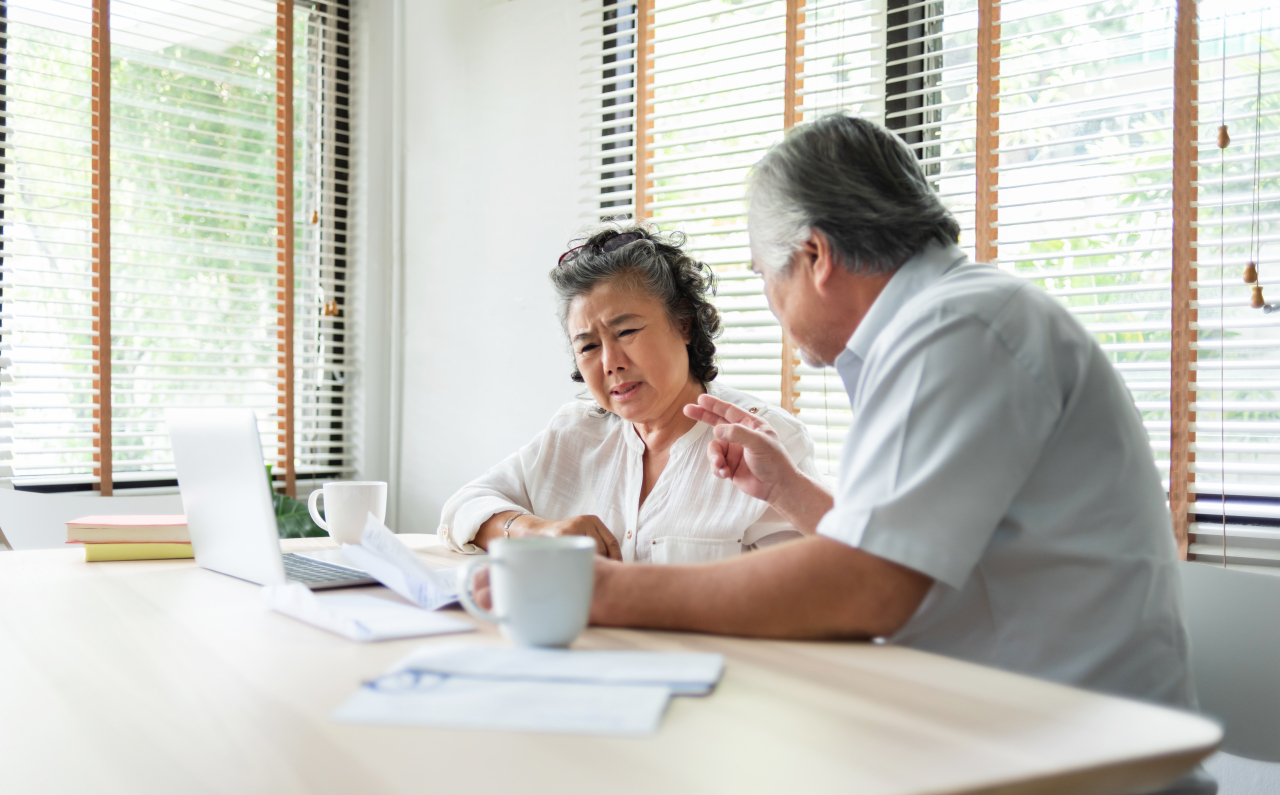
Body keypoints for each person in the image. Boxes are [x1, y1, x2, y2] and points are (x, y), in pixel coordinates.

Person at [585, 116, 1212, 794]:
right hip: (1022, 736)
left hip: (1077, 764)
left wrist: (604, 590)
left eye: (766, 274)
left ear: (817, 256)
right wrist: (789, 489)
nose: (770, 301)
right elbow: (911, 559)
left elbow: (871, 586)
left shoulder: (959, 329)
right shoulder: (954, 322)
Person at [437, 225, 823, 564]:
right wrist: (533, 532)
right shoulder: (573, 433)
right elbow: (463, 508)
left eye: (626, 332)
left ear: (684, 325)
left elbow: (811, 581)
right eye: (587, 347)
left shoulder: (762, 441)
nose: (610, 363)